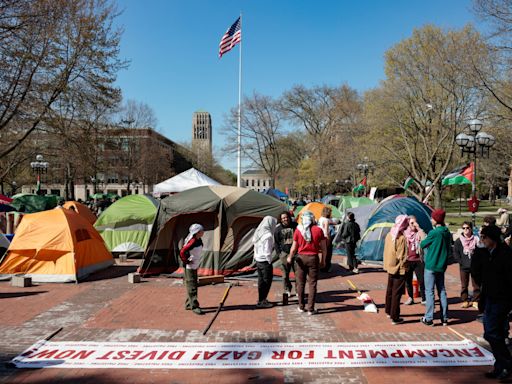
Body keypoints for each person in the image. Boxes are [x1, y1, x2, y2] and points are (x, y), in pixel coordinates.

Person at [473, 225, 512, 380]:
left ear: (492, 239)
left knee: (492, 333)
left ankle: (506, 364)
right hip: (489, 297)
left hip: (502, 299)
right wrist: (478, 252)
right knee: (494, 333)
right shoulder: (485, 253)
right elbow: (476, 273)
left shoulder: (505, 254)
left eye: (484, 237)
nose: (482, 240)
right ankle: (500, 365)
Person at [287, 210, 327, 315]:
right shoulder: (318, 230)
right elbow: (324, 248)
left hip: (301, 258)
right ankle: (311, 308)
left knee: (300, 283)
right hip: (313, 258)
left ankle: (301, 306)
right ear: (313, 219)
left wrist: (290, 257)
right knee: (312, 284)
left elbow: (294, 247)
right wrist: (323, 260)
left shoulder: (298, 230)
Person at [420, 209, 451, 326]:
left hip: (431, 265)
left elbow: (423, 244)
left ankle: (428, 318)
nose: (430, 219)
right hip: (441, 265)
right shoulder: (447, 232)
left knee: (430, 292)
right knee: (442, 290)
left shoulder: (434, 233)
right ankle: (444, 317)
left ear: (436, 219)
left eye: (432, 218)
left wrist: (422, 235)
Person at [383, 215, 409, 325]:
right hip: (399, 268)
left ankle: (388, 310)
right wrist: (406, 266)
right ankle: (395, 316)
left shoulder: (390, 234)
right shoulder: (401, 238)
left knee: (390, 290)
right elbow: (401, 256)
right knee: (396, 293)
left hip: (389, 266)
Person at [453, 221, 480, 309]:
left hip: (475, 266)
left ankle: (476, 300)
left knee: (476, 284)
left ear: (471, 229)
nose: (466, 230)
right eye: (464, 228)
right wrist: (461, 262)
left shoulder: (476, 239)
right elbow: (456, 253)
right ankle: (465, 300)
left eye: (467, 228)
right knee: (464, 285)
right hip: (464, 267)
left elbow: (480, 251)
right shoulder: (459, 241)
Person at [179, 224, 205, 315]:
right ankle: (194, 306)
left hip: (194, 265)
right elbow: (182, 251)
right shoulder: (193, 241)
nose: (203, 232)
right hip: (190, 267)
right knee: (192, 286)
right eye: (202, 231)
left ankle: (188, 304)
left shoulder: (197, 239)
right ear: (198, 232)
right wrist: (186, 261)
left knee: (192, 284)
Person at [253, 216, 278, 308]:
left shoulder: (258, 231)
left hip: (258, 260)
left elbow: (254, 244)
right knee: (267, 281)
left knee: (261, 280)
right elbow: (267, 250)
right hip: (265, 261)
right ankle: (262, 301)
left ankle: (261, 299)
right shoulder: (268, 235)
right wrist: (269, 261)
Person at [404, 215, 427, 305]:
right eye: (411, 223)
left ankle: (424, 298)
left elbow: (424, 238)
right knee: (408, 280)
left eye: (415, 222)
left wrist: (418, 227)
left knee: (421, 280)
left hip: (418, 260)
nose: (413, 225)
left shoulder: (419, 233)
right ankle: (410, 297)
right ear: (408, 224)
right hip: (408, 260)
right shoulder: (405, 233)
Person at [275, 211, 297, 295]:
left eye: (286, 217)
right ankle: (287, 289)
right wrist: (279, 254)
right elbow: (276, 243)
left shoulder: (295, 225)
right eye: (283, 218)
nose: (285, 219)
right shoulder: (278, 229)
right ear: (281, 219)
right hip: (284, 253)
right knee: (285, 275)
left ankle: (298, 290)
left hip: (295, 253)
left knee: (298, 273)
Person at [318, 206, 338, 272]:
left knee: (323, 253)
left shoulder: (321, 218)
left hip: (320, 237)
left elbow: (330, 222)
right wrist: (328, 238)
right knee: (327, 252)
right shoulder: (326, 220)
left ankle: (322, 265)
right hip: (326, 238)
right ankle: (326, 266)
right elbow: (326, 231)